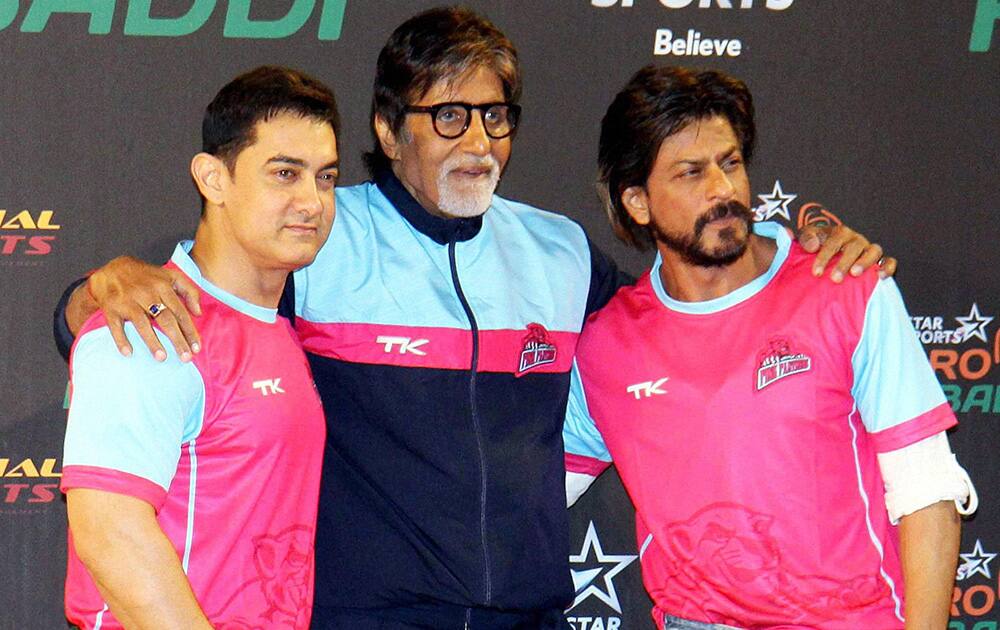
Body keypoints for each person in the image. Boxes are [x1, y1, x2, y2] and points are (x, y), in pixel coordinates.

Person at [54, 8, 891, 629]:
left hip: (527, 612)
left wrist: (791, 249)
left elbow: (683, 313)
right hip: (364, 616)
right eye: (448, 116)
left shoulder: (559, 251)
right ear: (390, 128)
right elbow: (192, 302)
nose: (478, 141)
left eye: (497, 117)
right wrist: (95, 289)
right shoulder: (319, 233)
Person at [563, 65, 976, 630]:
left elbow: (927, 491)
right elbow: (530, 491)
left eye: (730, 163)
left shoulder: (847, 287)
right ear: (637, 202)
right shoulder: (606, 347)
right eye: (690, 173)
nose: (723, 190)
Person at [60, 66, 339, 629]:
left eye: (325, 177)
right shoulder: (150, 324)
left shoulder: (275, 327)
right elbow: (109, 531)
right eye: (284, 174)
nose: (312, 201)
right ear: (213, 179)